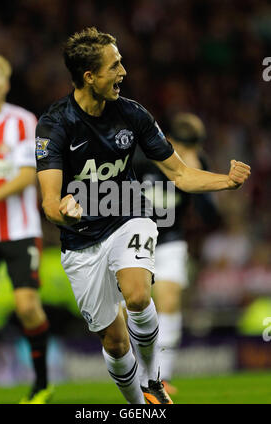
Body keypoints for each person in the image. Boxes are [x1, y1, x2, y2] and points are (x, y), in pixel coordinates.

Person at [36, 27, 250, 404]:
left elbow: (180, 173)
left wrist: (226, 182)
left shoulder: (133, 115)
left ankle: (154, 382)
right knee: (115, 342)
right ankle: (139, 405)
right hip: (80, 240)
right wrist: (65, 212)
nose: (123, 72)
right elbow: (50, 203)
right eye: (114, 65)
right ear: (90, 77)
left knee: (137, 295)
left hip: (128, 216)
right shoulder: (55, 125)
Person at [0, 54, 52, 404]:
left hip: (19, 229)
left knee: (27, 306)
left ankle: (41, 384)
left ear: (5, 84)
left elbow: (26, 175)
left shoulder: (23, 121)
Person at [133, 112, 221, 395]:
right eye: (184, 148)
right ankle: (137, 373)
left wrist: (195, 180)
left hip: (170, 240)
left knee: (168, 302)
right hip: (134, 238)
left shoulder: (196, 163)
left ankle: (161, 375)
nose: (187, 154)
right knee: (134, 308)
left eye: (193, 149)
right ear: (168, 141)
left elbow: (211, 217)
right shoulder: (140, 158)